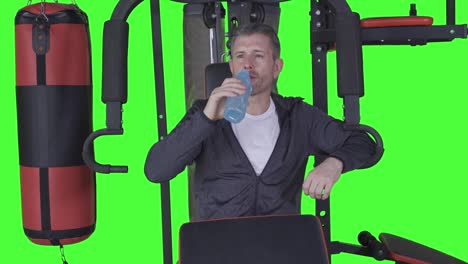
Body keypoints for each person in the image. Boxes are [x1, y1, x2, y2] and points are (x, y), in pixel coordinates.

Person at [144, 23, 376, 221]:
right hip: (217, 248)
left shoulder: (298, 116)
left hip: (279, 247)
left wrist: (333, 164)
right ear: (232, 66)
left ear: (276, 67)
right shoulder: (203, 114)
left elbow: (365, 143)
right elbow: (156, 170)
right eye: (240, 56)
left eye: (258, 56)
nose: (248, 65)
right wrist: (207, 118)